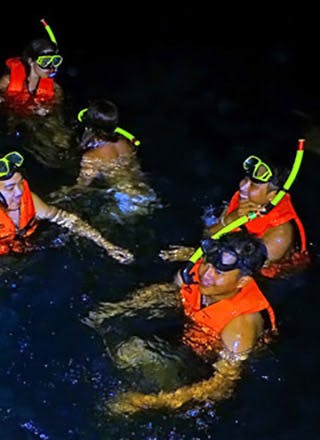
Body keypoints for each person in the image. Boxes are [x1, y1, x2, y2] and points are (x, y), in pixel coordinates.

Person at [86, 232, 275, 414]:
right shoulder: (200, 274)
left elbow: (221, 386)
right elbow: (169, 292)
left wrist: (144, 402)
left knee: (139, 358)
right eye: (208, 264)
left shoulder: (240, 330)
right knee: (127, 350)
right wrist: (117, 309)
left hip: (203, 364)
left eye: (218, 272)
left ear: (242, 282)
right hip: (188, 333)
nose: (207, 274)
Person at [0, 148, 134, 297]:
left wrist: (107, 245)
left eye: (20, 184)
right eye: (10, 188)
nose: (20, 193)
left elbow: (67, 219)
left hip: (20, 247)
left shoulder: (29, 201)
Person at [160, 153, 308, 278]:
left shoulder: (279, 235)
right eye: (246, 179)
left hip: (268, 276)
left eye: (254, 185)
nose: (242, 186)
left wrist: (191, 254)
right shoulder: (246, 200)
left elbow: (241, 273)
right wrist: (232, 217)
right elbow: (208, 234)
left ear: (272, 195)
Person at [50, 99, 159, 221]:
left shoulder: (92, 157)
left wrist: (63, 193)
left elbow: (82, 187)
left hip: (127, 202)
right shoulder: (125, 143)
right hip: (145, 192)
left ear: (90, 127)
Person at [0, 38, 64, 117]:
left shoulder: (55, 88)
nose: (51, 67)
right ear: (31, 61)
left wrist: (48, 110)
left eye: (55, 61)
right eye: (45, 62)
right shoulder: (8, 81)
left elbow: (58, 108)